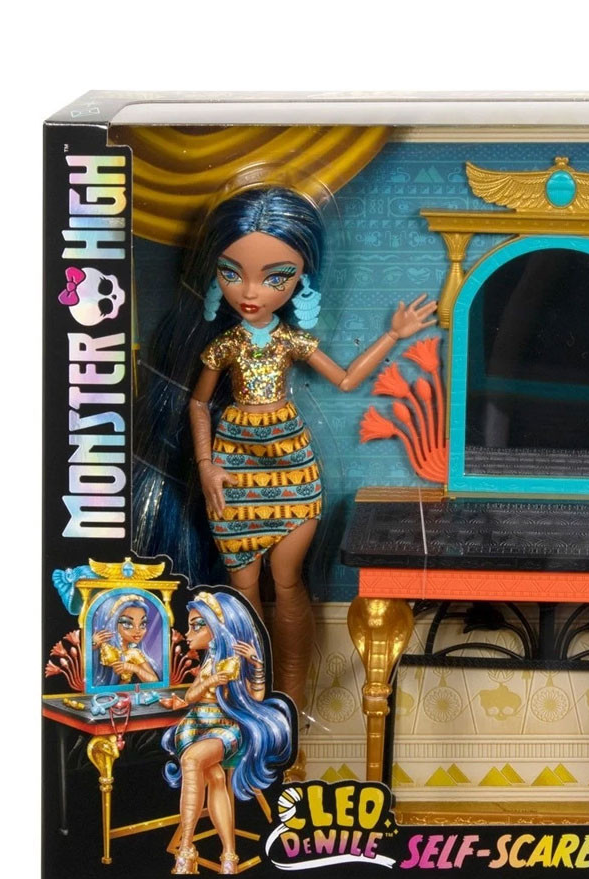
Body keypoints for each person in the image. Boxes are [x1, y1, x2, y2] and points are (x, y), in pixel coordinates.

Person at [133, 186, 436, 713]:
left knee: (288, 580)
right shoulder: (225, 345)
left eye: (275, 277)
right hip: (233, 468)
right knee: (243, 587)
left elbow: (346, 379)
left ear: (301, 281)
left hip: (291, 467)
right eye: (232, 272)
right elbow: (198, 404)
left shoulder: (291, 341)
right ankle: (249, 698)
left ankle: (290, 700)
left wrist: (393, 335)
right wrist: (205, 466)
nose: (251, 291)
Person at [162, 590, 292, 875]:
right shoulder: (209, 661)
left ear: (216, 627)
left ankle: (187, 849)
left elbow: (255, 699)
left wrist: (257, 666)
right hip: (194, 727)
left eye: (197, 626)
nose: (188, 634)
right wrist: (209, 682)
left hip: (224, 728)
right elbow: (192, 696)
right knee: (217, 778)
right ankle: (227, 855)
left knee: (192, 761)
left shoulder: (233, 660)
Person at [90, 593, 160, 686]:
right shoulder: (104, 645)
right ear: (113, 623)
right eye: (128, 624)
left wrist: (133, 668)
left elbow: (154, 681)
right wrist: (93, 644)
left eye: (143, 624)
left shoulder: (134, 653)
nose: (138, 630)